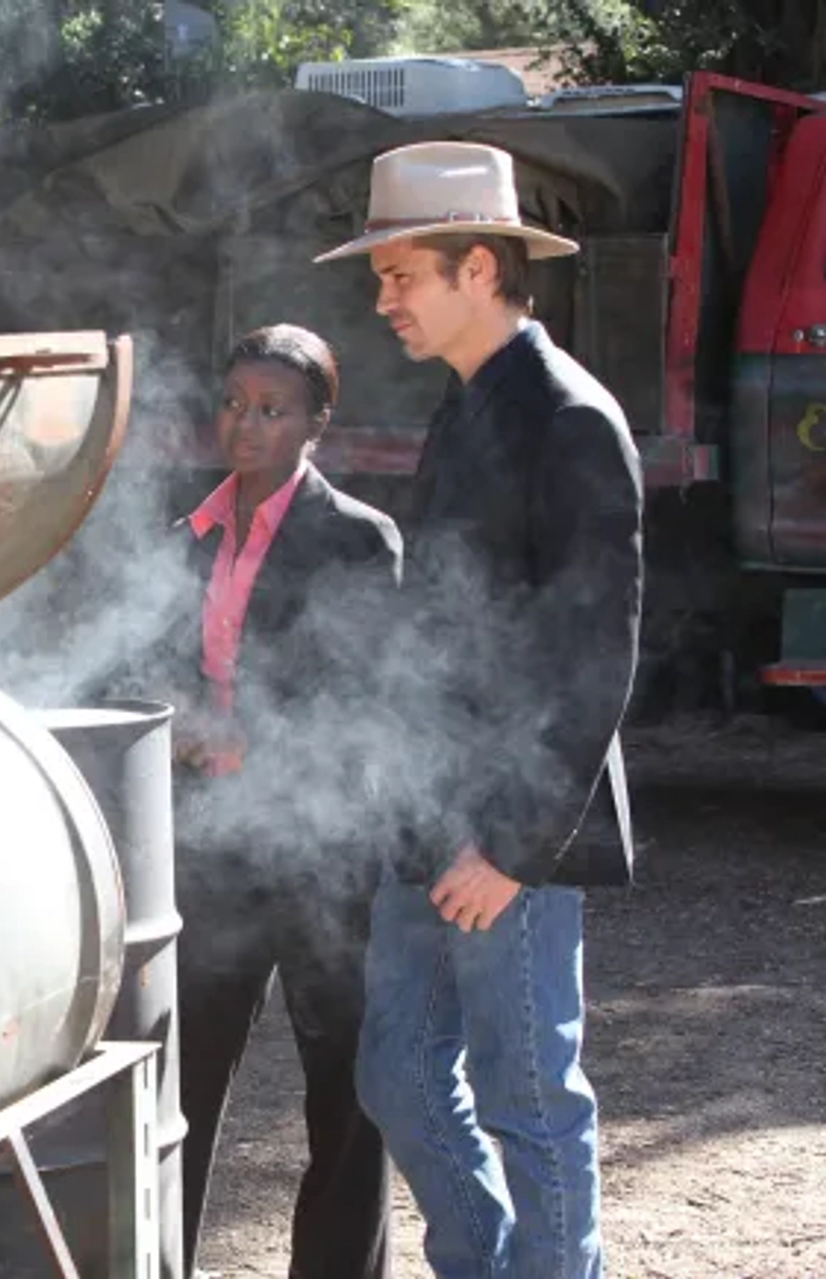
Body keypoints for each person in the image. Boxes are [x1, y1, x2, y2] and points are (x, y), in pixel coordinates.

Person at [313, 141, 644, 1278]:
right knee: (396, 1072)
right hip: (429, 817)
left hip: (514, 836)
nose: (382, 297)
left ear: (482, 270)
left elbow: (595, 656)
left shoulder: (570, 417)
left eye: (403, 273)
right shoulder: (465, 406)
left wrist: (510, 848)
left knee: (531, 1100)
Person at [161, 325, 402, 1279]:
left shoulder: (356, 538)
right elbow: (155, 667)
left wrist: (247, 734)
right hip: (210, 844)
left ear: (317, 425)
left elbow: (369, 696)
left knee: (343, 1095)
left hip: (321, 849)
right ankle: (159, 1258)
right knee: (179, 1082)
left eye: (273, 410)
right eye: (233, 404)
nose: (246, 426)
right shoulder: (188, 535)